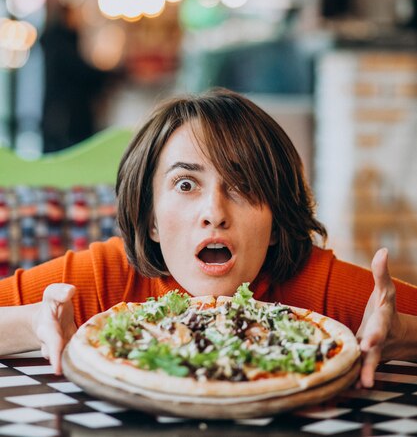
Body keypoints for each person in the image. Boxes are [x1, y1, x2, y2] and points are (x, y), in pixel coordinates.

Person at [0, 89, 417, 388]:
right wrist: (33, 322)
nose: (215, 213)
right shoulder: (102, 278)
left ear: (275, 221)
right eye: (185, 185)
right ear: (151, 222)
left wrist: (406, 334)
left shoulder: (317, 284)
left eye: (243, 185)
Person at [40, 3, 114, 152]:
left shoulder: (60, 41)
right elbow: (79, 71)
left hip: (61, 112)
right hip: (66, 115)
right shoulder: (60, 43)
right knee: (70, 155)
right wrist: (108, 74)